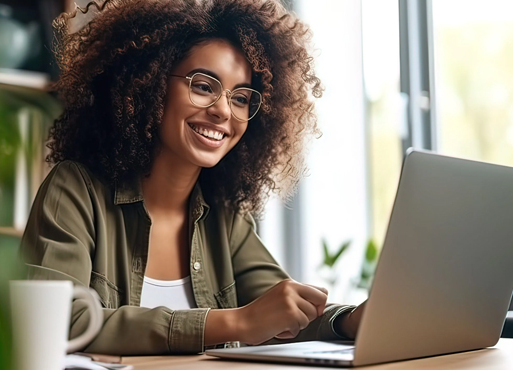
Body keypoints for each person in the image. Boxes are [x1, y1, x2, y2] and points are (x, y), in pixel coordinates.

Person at [20, 0, 365, 356]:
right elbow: (61, 323)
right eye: (203, 86)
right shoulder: (76, 190)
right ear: (148, 84)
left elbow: (282, 311)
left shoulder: (225, 215)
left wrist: (352, 321)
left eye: (242, 98)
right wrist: (235, 322)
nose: (222, 110)